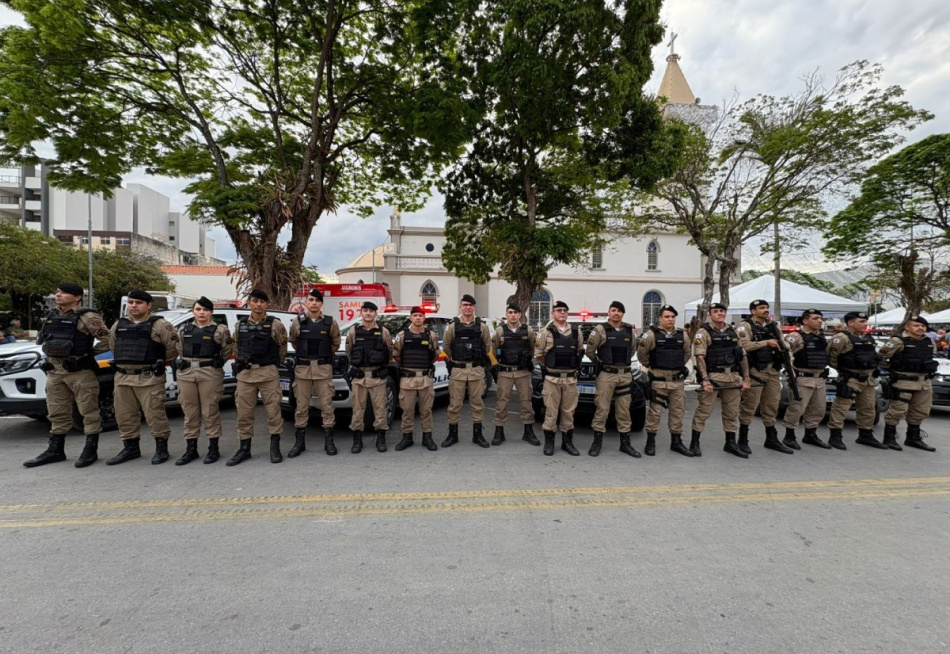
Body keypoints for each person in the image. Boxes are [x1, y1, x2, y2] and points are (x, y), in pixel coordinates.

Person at [23, 282, 109, 468]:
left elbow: (107, 338)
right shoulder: (52, 316)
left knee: (88, 412)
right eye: (57, 291)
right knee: (56, 412)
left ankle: (90, 449)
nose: (58, 295)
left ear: (77, 297)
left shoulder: (87, 317)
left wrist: (89, 356)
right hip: (55, 371)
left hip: (79, 372)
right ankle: (55, 450)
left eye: (64, 292)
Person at [106, 289, 181, 465]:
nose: (134, 306)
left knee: (155, 414)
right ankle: (130, 448)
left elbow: (173, 348)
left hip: (148, 378)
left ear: (148, 306)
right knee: (125, 415)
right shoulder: (119, 324)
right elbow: (113, 346)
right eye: (131, 302)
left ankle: (161, 448)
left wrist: (159, 362)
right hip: (123, 378)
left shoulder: (160, 325)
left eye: (138, 303)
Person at [227, 289, 288, 466]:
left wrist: (272, 363)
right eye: (255, 301)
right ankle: (244, 448)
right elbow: (236, 347)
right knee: (244, 413)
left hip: (268, 373)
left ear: (266, 304)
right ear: (249, 303)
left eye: (262, 301)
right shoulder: (240, 325)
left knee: (273, 412)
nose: (258, 304)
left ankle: (274, 447)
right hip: (246, 375)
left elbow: (281, 349)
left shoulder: (275, 324)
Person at [174, 297, 233, 465]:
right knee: (189, 411)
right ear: (193, 311)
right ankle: (190, 449)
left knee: (210, 410)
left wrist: (215, 363)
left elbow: (227, 351)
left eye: (205, 310)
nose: (201, 313)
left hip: (209, 372)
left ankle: (213, 449)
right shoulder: (184, 329)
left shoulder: (220, 330)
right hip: (186, 372)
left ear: (211, 312)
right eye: (198, 309)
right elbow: (179, 348)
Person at [691, 303, 751, 458]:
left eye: (722, 311)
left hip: (732, 376)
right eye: (715, 311)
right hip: (713, 377)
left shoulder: (733, 331)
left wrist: (746, 378)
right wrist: (705, 379)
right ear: (710, 314)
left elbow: (742, 356)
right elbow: (699, 357)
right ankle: (694, 442)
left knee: (731, 412)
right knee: (704, 411)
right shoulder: (703, 332)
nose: (719, 313)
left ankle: (730, 443)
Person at [288, 287, 341, 457]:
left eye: (317, 300)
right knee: (301, 406)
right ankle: (299, 443)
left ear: (321, 304)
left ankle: (329, 441)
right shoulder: (297, 322)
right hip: (303, 369)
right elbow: (295, 343)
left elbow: (335, 344)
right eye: (311, 300)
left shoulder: (330, 322)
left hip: (323, 369)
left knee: (326, 405)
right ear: (305, 302)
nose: (314, 303)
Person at [636, 304, 693, 457]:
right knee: (655, 412)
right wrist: (653, 366)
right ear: (660, 318)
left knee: (678, 412)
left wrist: (677, 365)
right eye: (666, 317)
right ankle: (650, 441)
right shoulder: (650, 335)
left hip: (677, 381)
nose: (670, 319)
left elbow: (687, 354)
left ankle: (676, 442)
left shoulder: (683, 335)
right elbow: (642, 355)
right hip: (658, 381)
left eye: (672, 317)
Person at [586, 300, 640, 457]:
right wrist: (601, 364)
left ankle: (625, 443)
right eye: (613, 310)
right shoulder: (600, 330)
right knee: (602, 408)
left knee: (624, 410)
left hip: (624, 374)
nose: (616, 313)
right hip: (607, 375)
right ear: (609, 312)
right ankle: (597, 442)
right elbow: (590, 351)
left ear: (623, 314)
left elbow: (632, 351)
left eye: (619, 311)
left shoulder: (630, 330)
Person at [737, 300, 792, 454]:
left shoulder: (772, 326)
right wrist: (766, 343)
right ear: (753, 311)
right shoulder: (745, 326)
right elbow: (744, 346)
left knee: (771, 406)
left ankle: (771, 438)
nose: (766, 310)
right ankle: (742, 439)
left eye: (767, 307)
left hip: (773, 372)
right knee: (749, 406)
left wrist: (786, 349)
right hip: (756, 373)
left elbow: (783, 344)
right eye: (762, 308)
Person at [877, 315, 937, 452]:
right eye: (916, 325)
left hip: (924, 382)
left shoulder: (927, 341)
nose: (920, 328)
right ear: (907, 327)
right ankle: (889, 438)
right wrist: (890, 370)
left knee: (920, 411)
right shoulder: (897, 341)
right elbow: (881, 356)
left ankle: (913, 438)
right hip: (904, 381)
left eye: (923, 326)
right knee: (897, 410)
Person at [441, 294, 493, 448]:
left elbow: (487, 346)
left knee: (477, 403)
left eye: (470, 305)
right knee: (455, 404)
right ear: (460, 307)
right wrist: (457, 358)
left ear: (474, 307)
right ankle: (452, 435)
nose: (467, 308)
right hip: (458, 371)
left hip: (476, 370)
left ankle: (478, 435)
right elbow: (446, 347)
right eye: (465, 305)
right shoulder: (452, 326)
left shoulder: (482, 326)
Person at [828, 311, 883, 449]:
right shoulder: (841, 338)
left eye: (865, 321)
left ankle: (865, 435)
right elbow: (831, 358)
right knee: (841, 407)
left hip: (868, 379)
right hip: (850, 378)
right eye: (861, 321)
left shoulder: (867, 337)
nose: (865, 324)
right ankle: (835, 436)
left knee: (868, 408)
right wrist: (845, 370)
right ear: (851, 323)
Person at [345, 301, 393, 453]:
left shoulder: (383, 332)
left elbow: (389, 352)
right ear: (361, 313)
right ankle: (357, 439)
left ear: (375, 314)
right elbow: (349, 351)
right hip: (359, 378)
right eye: (365, 310)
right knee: (358, 409)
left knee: (380, 409)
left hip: (377, 377)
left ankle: (381, 438)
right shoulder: (353, 331)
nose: (368, 313)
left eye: (371, 311)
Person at [535, 300, 582, 456]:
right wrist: (551, 365)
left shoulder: (576, 332)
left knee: (569, 412)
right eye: (559, 310)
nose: (562, 312)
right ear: (553, 313)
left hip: (570, 379)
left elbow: (579, 352)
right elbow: (539, 354)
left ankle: (567, 442)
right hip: (552, 379)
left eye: (564, 310)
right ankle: (549, 442)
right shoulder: (545, 332)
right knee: (551, 411)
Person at [782, 309, 833, 450]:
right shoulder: (796, 336)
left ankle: (810, 435)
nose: (820, 321)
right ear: (805, 321)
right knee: (797, 409)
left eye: (821, 318)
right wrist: (790, 371)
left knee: (818, 409)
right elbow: (785, 352)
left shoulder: (821, 337)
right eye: (816, 318)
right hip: (803, 378)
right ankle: (789, 436)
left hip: (819, 379)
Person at [392, 306, 440, 451]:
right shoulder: (402, 335)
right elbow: (396, 355)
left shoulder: (430, 335)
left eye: (420, 315)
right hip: (408, 379)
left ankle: (427, 437)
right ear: (410, 318)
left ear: (424, 318)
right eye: (415, 315)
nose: (418, 318)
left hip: (425, 378)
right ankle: (407, 437)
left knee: (426, 410)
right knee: (407, 410)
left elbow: (435, 355)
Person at [491, 303, 539, 446]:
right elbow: (494, 350)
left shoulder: (528, 330)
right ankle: (499, 431)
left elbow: (533, 348)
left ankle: (528, 431)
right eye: (510, 312)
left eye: (515, 312)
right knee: (501, 402)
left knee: (526, 402)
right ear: (506, 314)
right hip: (505, 372)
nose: (512, 315)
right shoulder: (499, 331)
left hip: (523, 372)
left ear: (520, 315)